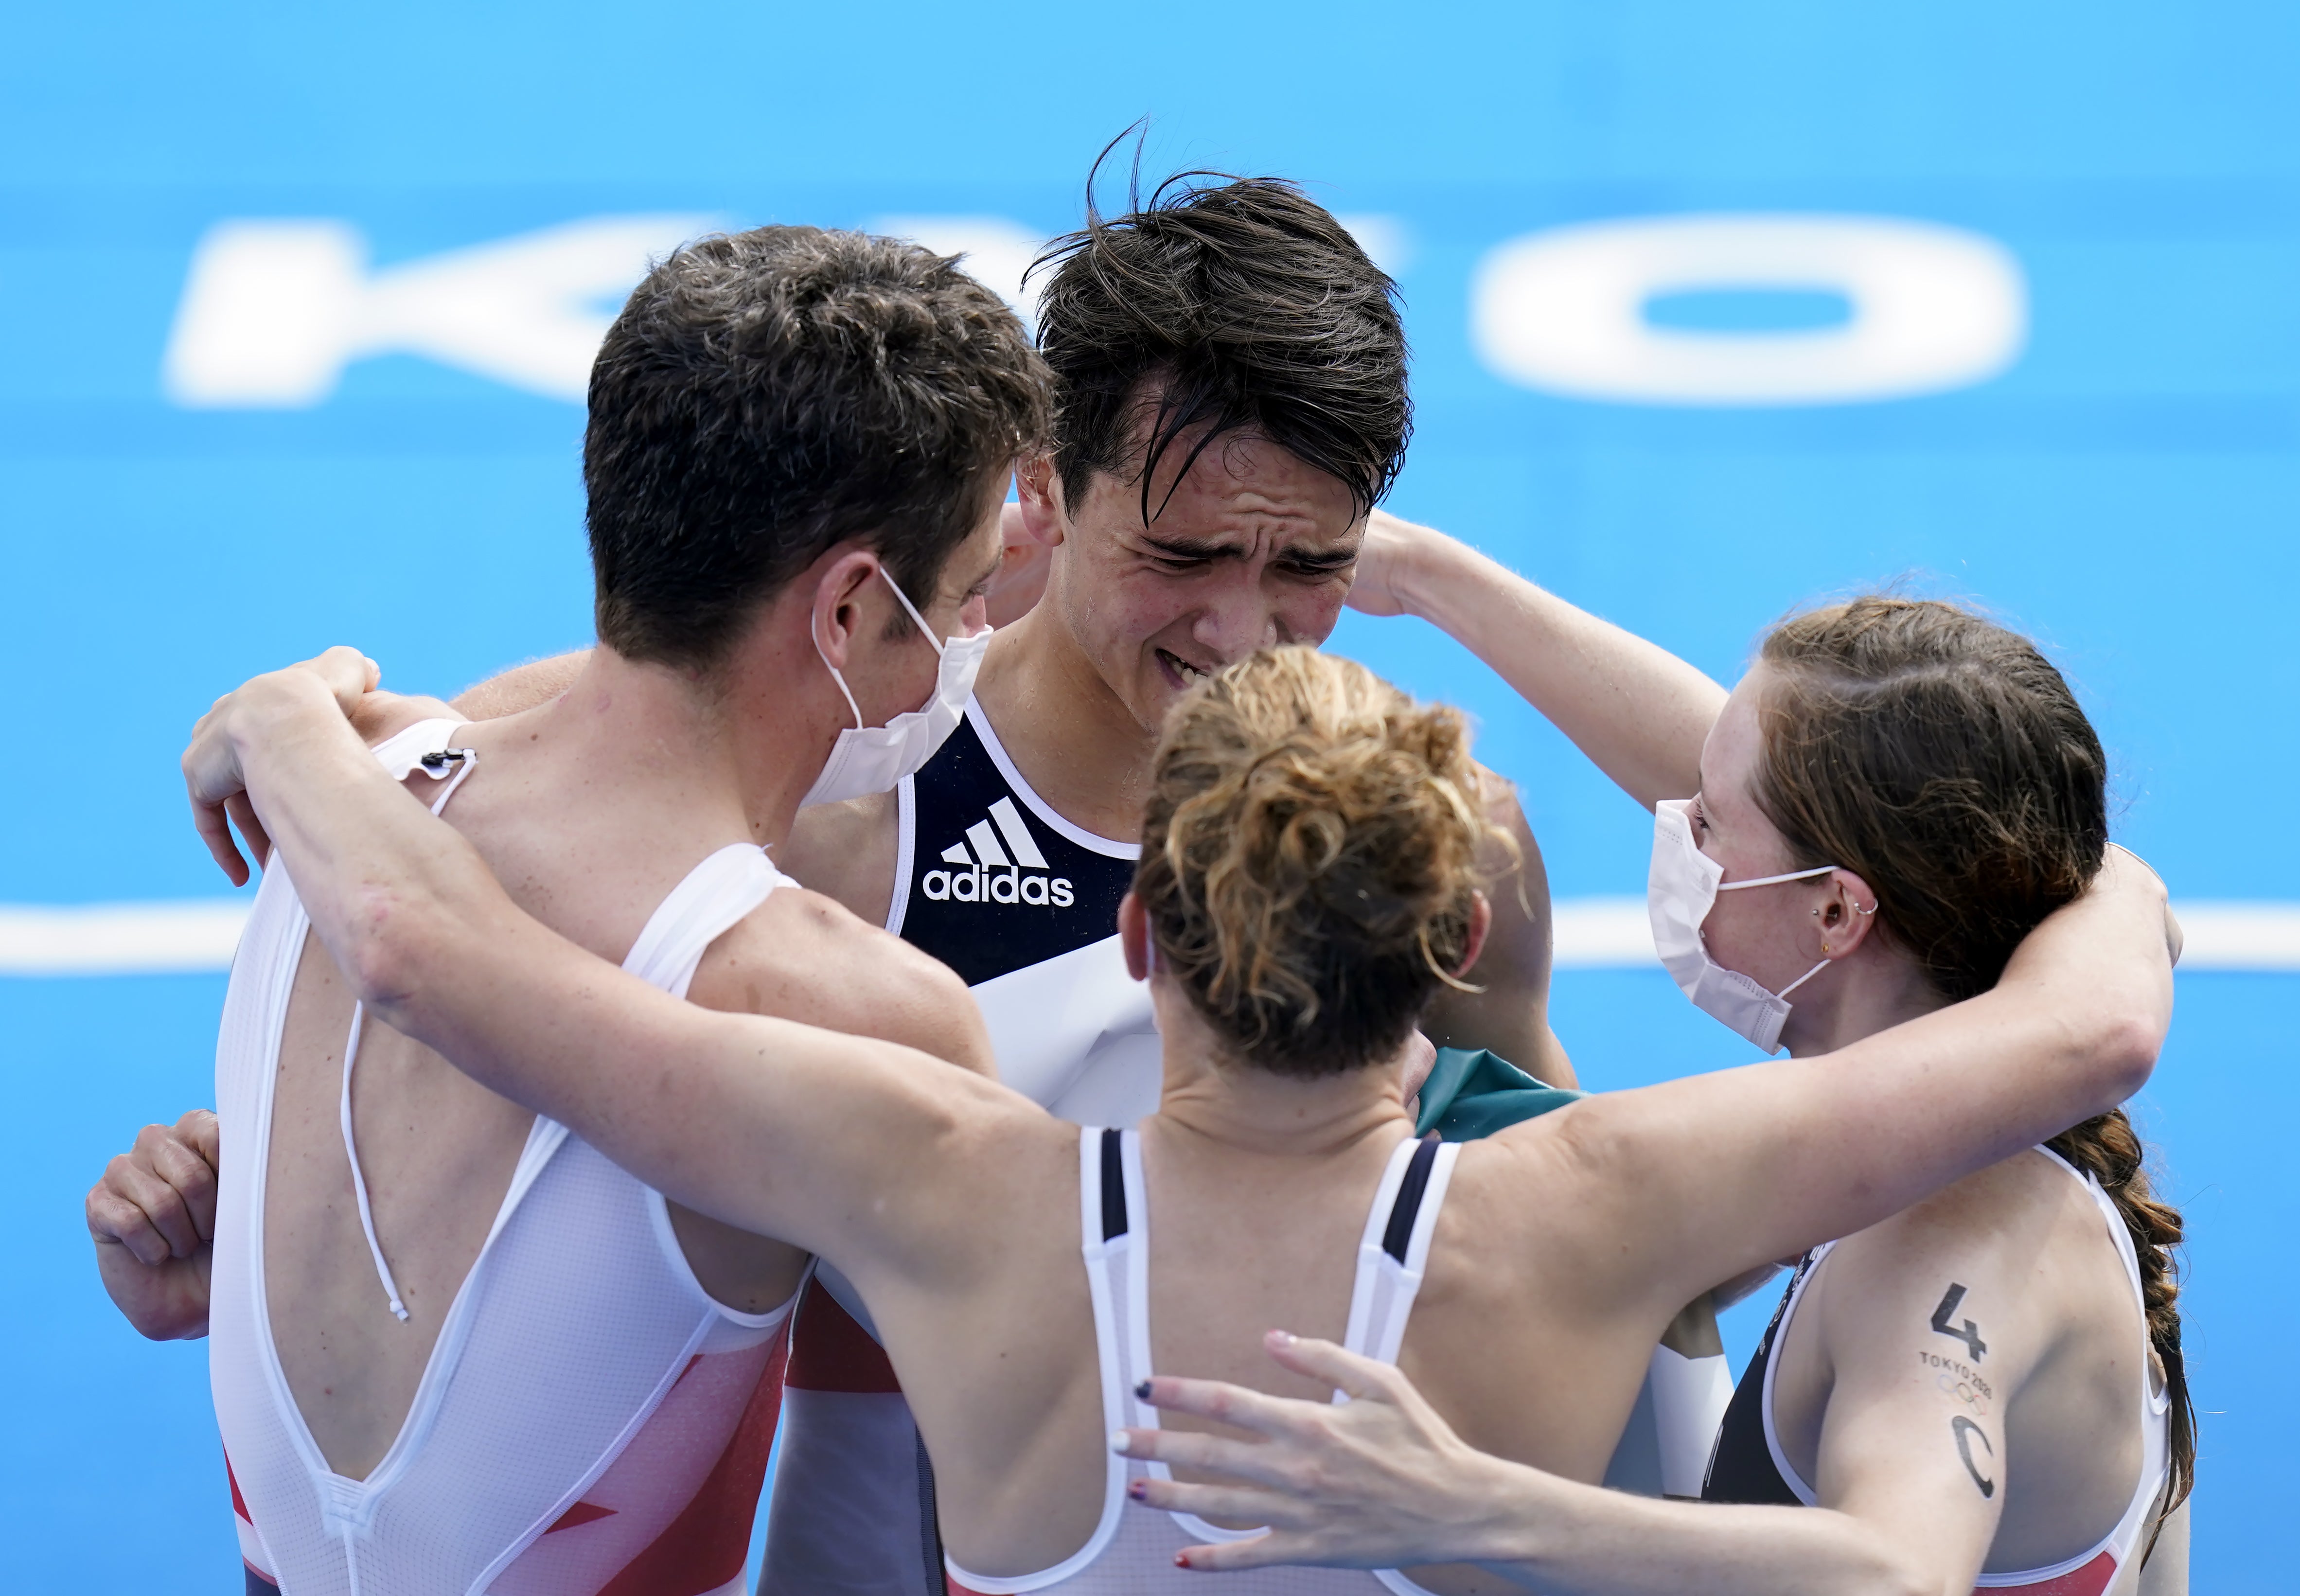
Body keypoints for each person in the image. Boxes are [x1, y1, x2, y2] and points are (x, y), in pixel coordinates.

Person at [178, 635, 2171, 1595]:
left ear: (1135, 934)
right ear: (1462, 931)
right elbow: (2082, 1016)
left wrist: (291, 724)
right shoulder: (1611, 1197)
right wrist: (2081, 864)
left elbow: (439, 964)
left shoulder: (933, 1185)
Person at [431, 167, 1724, 1589]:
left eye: (1310, 563)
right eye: (1183, 557)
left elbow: (1604, 1276)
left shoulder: (1416, 836)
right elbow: (536, 823)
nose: (1241, 626)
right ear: (1042, 484)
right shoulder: (856, 801)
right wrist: (230, 1165)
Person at [82, 226, 1048, 1595]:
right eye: (958, 603)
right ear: (846, 609)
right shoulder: (844, 1010)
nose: (969, 649)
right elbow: (1040, 1505)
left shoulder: (326, 790)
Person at [1099, 527, 2194, 1594]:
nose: (1676, 831)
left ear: (1835, 909)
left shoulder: (1940, 1241)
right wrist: (1422, 572)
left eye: (1709, 822)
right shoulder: (1942, 1133)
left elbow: (1899, 1570)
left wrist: (1464, 1500)